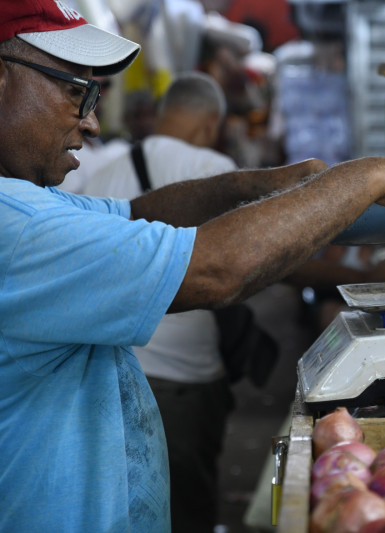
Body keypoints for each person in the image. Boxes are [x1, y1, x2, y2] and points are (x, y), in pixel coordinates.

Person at [0, 2, 385, 532]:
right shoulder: (16, 226)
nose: (92, 122)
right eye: (77, 92)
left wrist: (259, 186)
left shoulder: (31, 204)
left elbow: (138, 214)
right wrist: (366, 178)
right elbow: (215, 270)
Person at [83, 71, 238, 533]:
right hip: (186, 378)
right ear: (209, 122)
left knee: (129, 503)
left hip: (115, 371)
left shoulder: (104, 171)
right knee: (189, 504)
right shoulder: (217, 168)